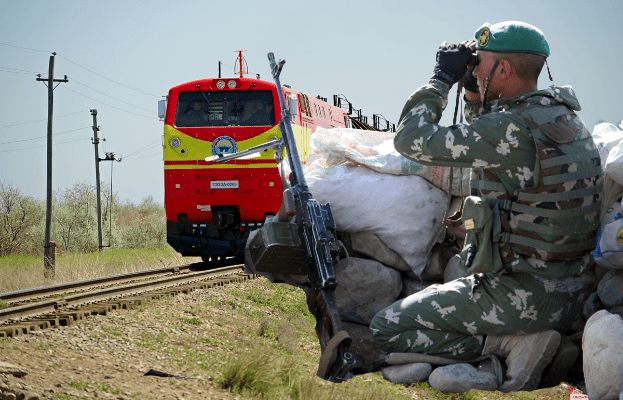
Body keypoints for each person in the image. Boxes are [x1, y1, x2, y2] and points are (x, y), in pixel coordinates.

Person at [369, 21, 602, 392]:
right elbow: (493, 137)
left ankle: (503, 346)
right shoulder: (563, 118)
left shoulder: (511, 129)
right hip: (572, 292)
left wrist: (440, 78)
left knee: (385, 327)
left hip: (523, 296)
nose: (473, 66)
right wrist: (475, 92)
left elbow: (411, 140)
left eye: (480, 62)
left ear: (505, 69)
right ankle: (538, 339)